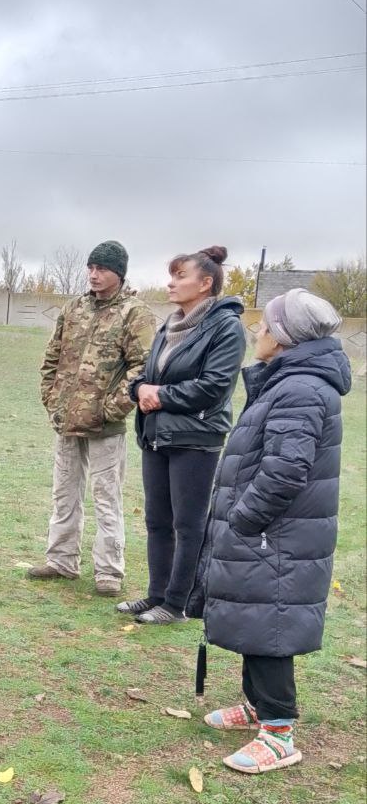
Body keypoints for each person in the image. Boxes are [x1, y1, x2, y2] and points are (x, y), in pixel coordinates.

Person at [193, 290, 350, 773]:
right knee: (254, 617)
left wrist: (244, 519)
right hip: (269, 533)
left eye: (264, 326)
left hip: (277, 536)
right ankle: (257, 705)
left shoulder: (300, 388)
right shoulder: (289, 381)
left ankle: (279, 730)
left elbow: (286, 470)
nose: (256, 332)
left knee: (272, 624)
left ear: (281, 338)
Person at [118, 246, 245, 624]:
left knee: (187, 525)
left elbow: (215, 386)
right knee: (157, 520)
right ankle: (156, 594)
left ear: (205, 284)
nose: (171, 283)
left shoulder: (226, 326)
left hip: (195, 438)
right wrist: (139, 388)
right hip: (156, 434)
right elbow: (150, 373)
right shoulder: (170, 323)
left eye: (180, 276)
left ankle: (177, 605)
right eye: (171, 275)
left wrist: (160, 395)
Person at [29, 240, 155, 596]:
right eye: (91, 268)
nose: (94, 275)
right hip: (66, 420)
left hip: (105, 426)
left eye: (102, 269)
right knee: (64, 492)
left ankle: (109, 572)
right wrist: (51, 399)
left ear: (119, 273)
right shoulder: (74, 308)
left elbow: (143, 367)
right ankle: (61, 560)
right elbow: (52, 356)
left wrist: (111, 409)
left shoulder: (135, 313)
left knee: (106, 497)